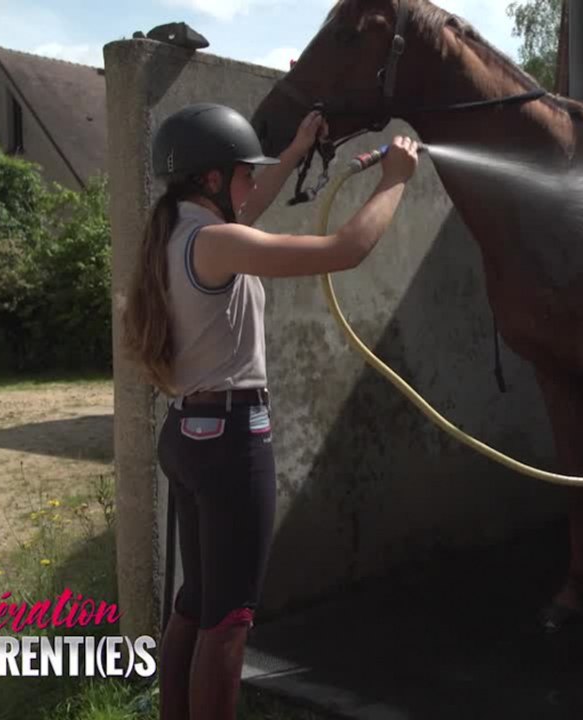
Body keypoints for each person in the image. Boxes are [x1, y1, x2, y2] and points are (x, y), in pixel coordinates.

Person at [121, 102, 419, 720]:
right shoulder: (218, 240)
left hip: (186, 433)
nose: (252, 184)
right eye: (242, 172)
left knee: (197, 603)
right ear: (211, 179)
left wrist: (292, 151)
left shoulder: (178, 234)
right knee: (229, 622)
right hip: (231, 441)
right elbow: (345, 249)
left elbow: (249, 208)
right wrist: (394, 183)